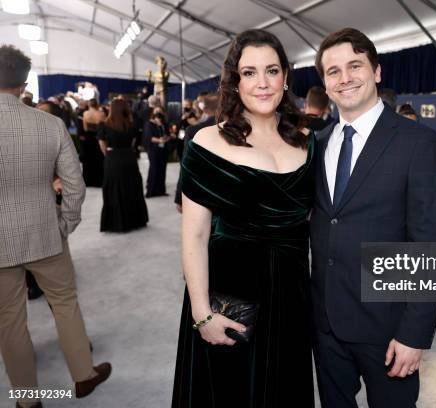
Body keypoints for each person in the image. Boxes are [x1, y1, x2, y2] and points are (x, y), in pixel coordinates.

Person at [172, 29, 314, 408]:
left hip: (292, 295)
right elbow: (194, 235)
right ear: (235, 82)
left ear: (286, 75)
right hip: (231, 294)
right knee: (230, 393)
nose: (262, 83)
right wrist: (202, 314)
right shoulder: (206, 142)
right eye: (249, 73)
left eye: (271, 70)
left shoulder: (307, 139)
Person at [310, 28, 436, 408]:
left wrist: (415, 333)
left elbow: (432, 244)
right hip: (325, 323)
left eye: (355, 66)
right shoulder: (317, 143)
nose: (345, 78)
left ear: (376, 72)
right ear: (324, 83)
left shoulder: (417, 142)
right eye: (333, 71)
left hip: (388, 329)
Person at [0, 45, 111, 408]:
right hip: (45, 232)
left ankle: (28, 400)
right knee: (64, 303)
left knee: (9, 321)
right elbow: (74, 184)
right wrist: (67, 222)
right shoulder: (50, 124)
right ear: (24, 82)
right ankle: (83, 376)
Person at [97, 98, 149, 232]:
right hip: (129, 157)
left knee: (113, 189)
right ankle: (135, 220)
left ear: (111, 109)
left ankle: (115, 223)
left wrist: (109, 155)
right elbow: (134, 142)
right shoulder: (133, 124)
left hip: (113, 158)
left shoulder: (104, 125)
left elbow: (102, 145)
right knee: (131, 187)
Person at [174, 92, 220, 213]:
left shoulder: (194, 130)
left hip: (201, 189)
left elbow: (186, 165)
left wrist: (179, 196)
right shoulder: (237, 129)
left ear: (204, 108)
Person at [143, 111, 170, 197]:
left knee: (162, 169)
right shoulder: (149, 124)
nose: (159, 121)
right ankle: (151, 191)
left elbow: (168, 134)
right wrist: (159, 140)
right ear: (154, 118)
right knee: (154, 169)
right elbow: (148, 137)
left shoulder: (163, 124)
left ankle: (161, 190)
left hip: (163, 149)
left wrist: (166, 138)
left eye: (161, 120)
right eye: (158, 120)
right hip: (153, 150)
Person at [81, 98, 106, 187]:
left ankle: (88, 181)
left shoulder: (85, 114)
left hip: (88, 139)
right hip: (98, 139)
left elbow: (85, 128)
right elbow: (103, 129)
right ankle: (98, 181)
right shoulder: (102, 114)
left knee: (88, 161)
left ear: (89, 105)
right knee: (98, 160)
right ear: (97, 105)